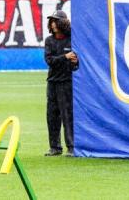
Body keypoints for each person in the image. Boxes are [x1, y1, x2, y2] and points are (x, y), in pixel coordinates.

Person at [44, 10, 79, 157]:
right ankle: (55, 147)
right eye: (51, 21)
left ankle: (71, 147)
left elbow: (76, 65)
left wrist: (75, 62)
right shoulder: (49, 41)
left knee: (67, 115)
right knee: (52, 116)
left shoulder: (72, 40)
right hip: (52, 82)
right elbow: (49, 61)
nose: (53, 23)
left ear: (63, 23)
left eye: (55, 20)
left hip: (66, 83)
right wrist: (65, 57)